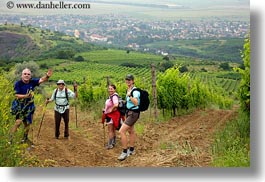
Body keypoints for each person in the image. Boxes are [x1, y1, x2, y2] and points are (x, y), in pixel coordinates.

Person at [9, 68, 52, 144]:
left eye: (28, 74)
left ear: (30, 76)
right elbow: (16, 95)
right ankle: (10, 139)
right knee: (18, 122)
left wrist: (47, 76)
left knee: (28, 123)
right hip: (20, 106)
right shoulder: (18, 83)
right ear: (22, 75)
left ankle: (25, 138)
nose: (26, 75)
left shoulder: (32, 82)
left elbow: (42, 80)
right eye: (25, 74)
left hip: (30, 106)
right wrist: (26, 96)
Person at [118, 74, 140, 161]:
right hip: (129, 112)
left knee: (122, 131)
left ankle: (124, 152)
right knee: (131, 131)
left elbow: (136, 103)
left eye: (129, 80)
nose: (128, 81)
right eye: (127, 80)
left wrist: (130, 96)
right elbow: (130, 102)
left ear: (133, 81)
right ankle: (131, 150)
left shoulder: (135, 91)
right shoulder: (129, 89)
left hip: (133, 113)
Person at [102, 84, 121, 149]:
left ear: (114, 89)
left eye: (111, 89)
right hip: (113, 115)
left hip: (112, 115)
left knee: (110, 130)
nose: (110, 90)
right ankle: (113, 142)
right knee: (113, 129)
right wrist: (105, 110)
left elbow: (116, 105)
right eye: (109, 89)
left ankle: (110, 144)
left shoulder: (114, 96)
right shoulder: (112, 96)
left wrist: (110, 110)